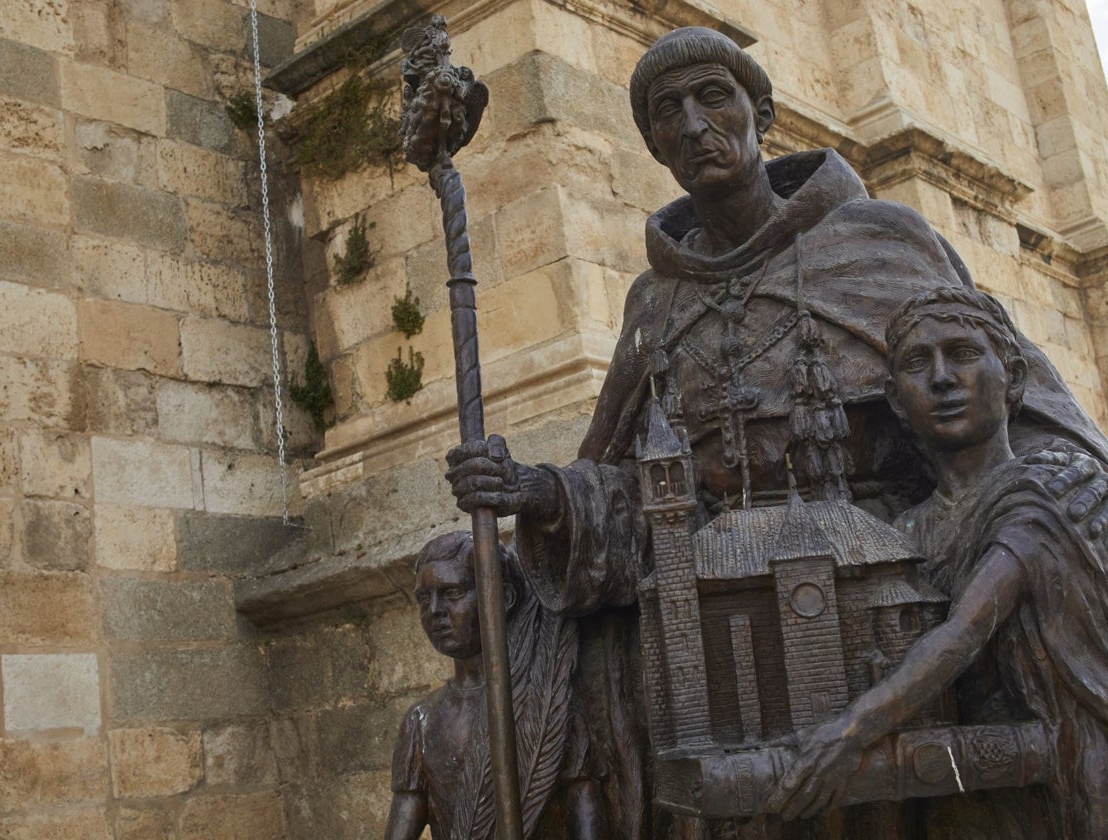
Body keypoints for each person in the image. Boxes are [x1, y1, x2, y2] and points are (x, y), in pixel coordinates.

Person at [444, 27, 1108, 838]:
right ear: (653, 145)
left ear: (762, 113)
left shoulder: (881, 244)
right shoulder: (656, 308)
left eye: (713, 98)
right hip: (728, 647)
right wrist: (540, 491)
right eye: (667, 113)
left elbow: (1027, 414)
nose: (693, 125)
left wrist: (1051, 498)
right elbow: (629, 484)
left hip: (913, 606)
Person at [769, 287, 1108, 838]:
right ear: (896, 400)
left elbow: (962, 633)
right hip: (960, 792)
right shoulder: (903, 533)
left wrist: (850, 730)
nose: (943, 378)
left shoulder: (1043, 489)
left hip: (1066, 777)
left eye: (964, 353)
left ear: (1014, 378)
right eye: (918, 364)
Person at [385, 532, 606, 840]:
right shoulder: (420, 722)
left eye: (451, 593)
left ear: (502, 598)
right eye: (424, 599)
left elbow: (585, 809)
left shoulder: (546, 705)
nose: (434, 610)